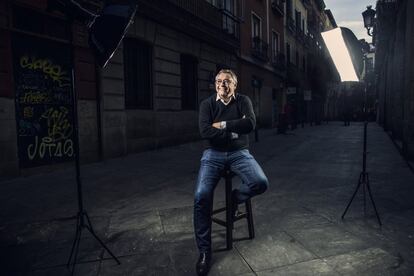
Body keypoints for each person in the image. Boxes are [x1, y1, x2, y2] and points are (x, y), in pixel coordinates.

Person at [194, 69, 269, 275]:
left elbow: (251, 124)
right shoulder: (207, 105)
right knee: (201, 196)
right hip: (213, 154)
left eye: (227, 81)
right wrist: (234, 132)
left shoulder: (243, 101)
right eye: (218, 81)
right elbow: (205, 132)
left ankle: (235, 198)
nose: (222, 84)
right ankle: (204, 252)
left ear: (235, 85)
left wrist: (223, 125)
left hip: (239, 153)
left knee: (260, 182)